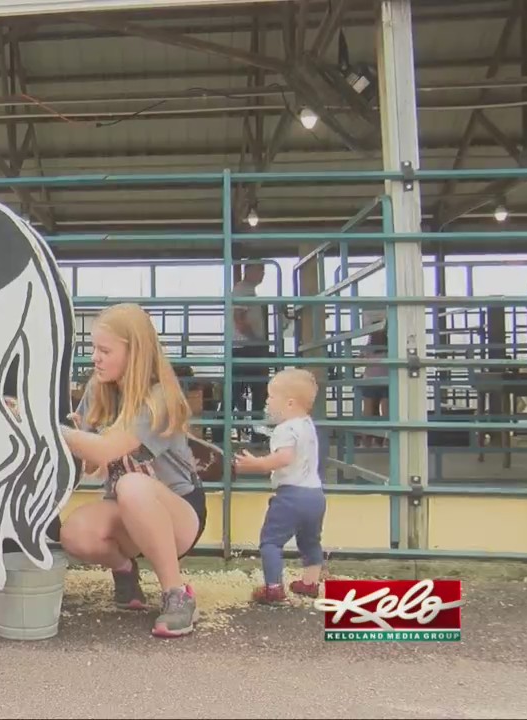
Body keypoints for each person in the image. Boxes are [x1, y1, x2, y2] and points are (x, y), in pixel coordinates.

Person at [58, 303, 206, 638]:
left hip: (177, 511)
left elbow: (108, 450)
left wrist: (54, 430)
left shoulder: (161, 398)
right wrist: (77, 436)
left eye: (104, 350)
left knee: (132, 486)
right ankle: (125, 570)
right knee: (75, 534)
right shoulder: (99, 389)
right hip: (125, 508)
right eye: (93, 348)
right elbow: (94, 464)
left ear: (134, 352)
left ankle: (176, 595)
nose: (95, 357)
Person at [234, 368, 327, 603]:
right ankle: (310, 583)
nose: (267, 402)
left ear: (290, 403)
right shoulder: (308, 425)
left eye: (271, 397)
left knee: (271, 542)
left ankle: (273, 587)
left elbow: (284, 458)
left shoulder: (285, 429)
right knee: (310, 541)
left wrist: (257, 464)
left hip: (291, 495)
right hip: (315, 495)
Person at [228, 261, 270, 443]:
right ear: (250, 271)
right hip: (246, 348)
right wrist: (256, 340)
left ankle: (221, 430)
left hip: (245, 347)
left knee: (240, 390)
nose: (262, 275)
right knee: (254, 389)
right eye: (260, 271)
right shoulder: (242, 290)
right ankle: (257, 432)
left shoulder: (246, 291)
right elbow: (239, 319)